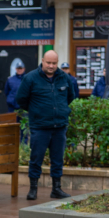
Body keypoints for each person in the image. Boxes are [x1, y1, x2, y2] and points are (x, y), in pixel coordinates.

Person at [16, 50, 75, 201]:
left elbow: (70, 96)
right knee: (36, 158)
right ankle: (33, 189)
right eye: (48, 63)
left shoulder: (64, 77)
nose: (51, 66)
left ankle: (56, 189)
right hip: (40, 126)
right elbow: (21, 99)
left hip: (59, 126)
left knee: (57, 159)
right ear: (42, 61)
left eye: (54, 63)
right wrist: (36, 110)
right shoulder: (30, 78)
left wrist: (60, 110)